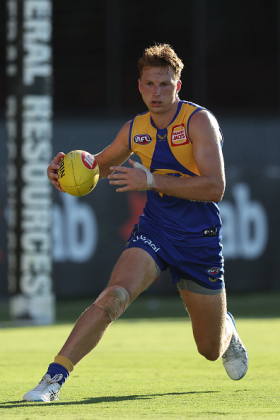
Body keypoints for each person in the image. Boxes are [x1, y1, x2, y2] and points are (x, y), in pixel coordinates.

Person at [23, 43, 248, 403]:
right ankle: (53, 379)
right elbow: (97, 165)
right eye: (149, 84)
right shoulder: (135, 129)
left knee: (209, 348)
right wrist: (65, 173)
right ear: (139, 85)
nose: (156, 93)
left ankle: (227, 331)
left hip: (198, 240)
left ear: (178, 84)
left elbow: (215, 187)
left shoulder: (198, 121)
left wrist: (152, 181)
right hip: (155, 231)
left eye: (164, 84)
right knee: (113, 296)